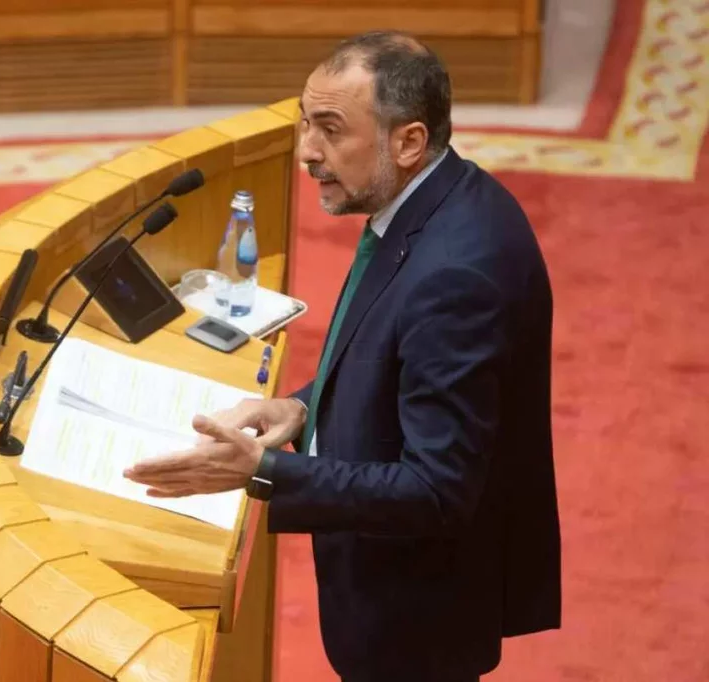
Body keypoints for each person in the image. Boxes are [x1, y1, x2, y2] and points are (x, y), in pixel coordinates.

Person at [124, 30, 561, 682]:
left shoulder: (458, 273)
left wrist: (265, 470)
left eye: (330, 130)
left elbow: (438, 490)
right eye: (306, 124)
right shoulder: (431, 202)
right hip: (391, 591)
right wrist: (301, 411)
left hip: (417, 619)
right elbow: (389, 362)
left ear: (408, 142)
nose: (306, 153)